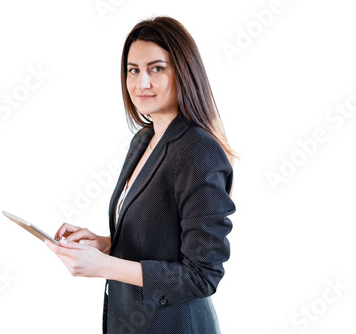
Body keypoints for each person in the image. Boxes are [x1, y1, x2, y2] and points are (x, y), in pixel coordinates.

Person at [45, 16, 237, 333]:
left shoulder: (198, 151)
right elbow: (161, 240)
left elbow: (201, 275)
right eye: (133, 70)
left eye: (156, 68)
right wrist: (105, 245)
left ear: (184, 72)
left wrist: (104, 266)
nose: (141, 82)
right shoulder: (144, 139)